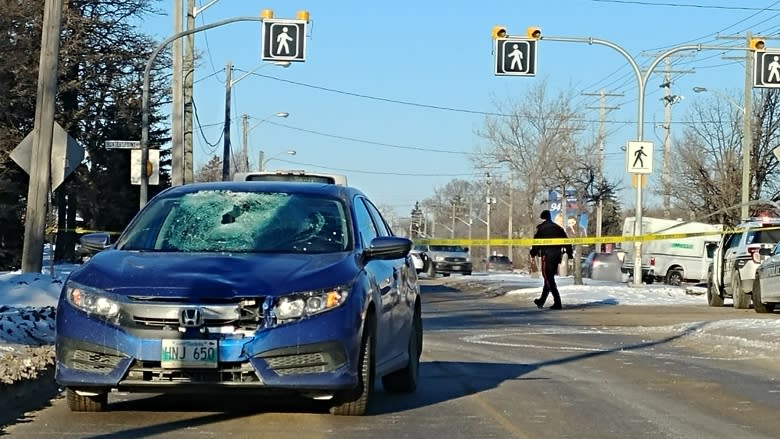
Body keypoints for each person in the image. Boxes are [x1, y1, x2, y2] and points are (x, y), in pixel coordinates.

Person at [530, 209, 573, 310]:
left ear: (542, 218)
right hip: (557, 256)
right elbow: (566, 241)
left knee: (549, 279)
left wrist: (533, 253)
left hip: (547, 256)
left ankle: (557, 302)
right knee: (548, 279)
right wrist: (569, 253)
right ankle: (541, 301)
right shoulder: (558, 228)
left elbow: (536, 243)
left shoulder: (541, 229)